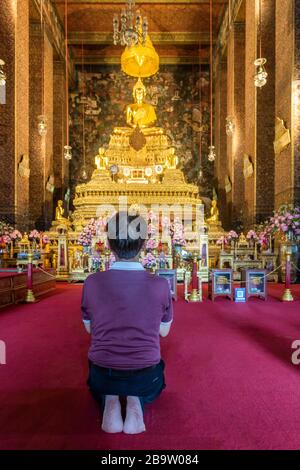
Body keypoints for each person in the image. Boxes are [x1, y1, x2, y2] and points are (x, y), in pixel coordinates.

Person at [81, 211, 173, 434]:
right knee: (145, 375)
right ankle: (135, 401)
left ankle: (111, 402)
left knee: (104, 375)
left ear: (109, 244)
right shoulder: (161, 285)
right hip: (147, 377)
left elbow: (90, 329)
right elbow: (163, 332)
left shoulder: (92, 282)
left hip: (101, 375)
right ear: (143, 244)